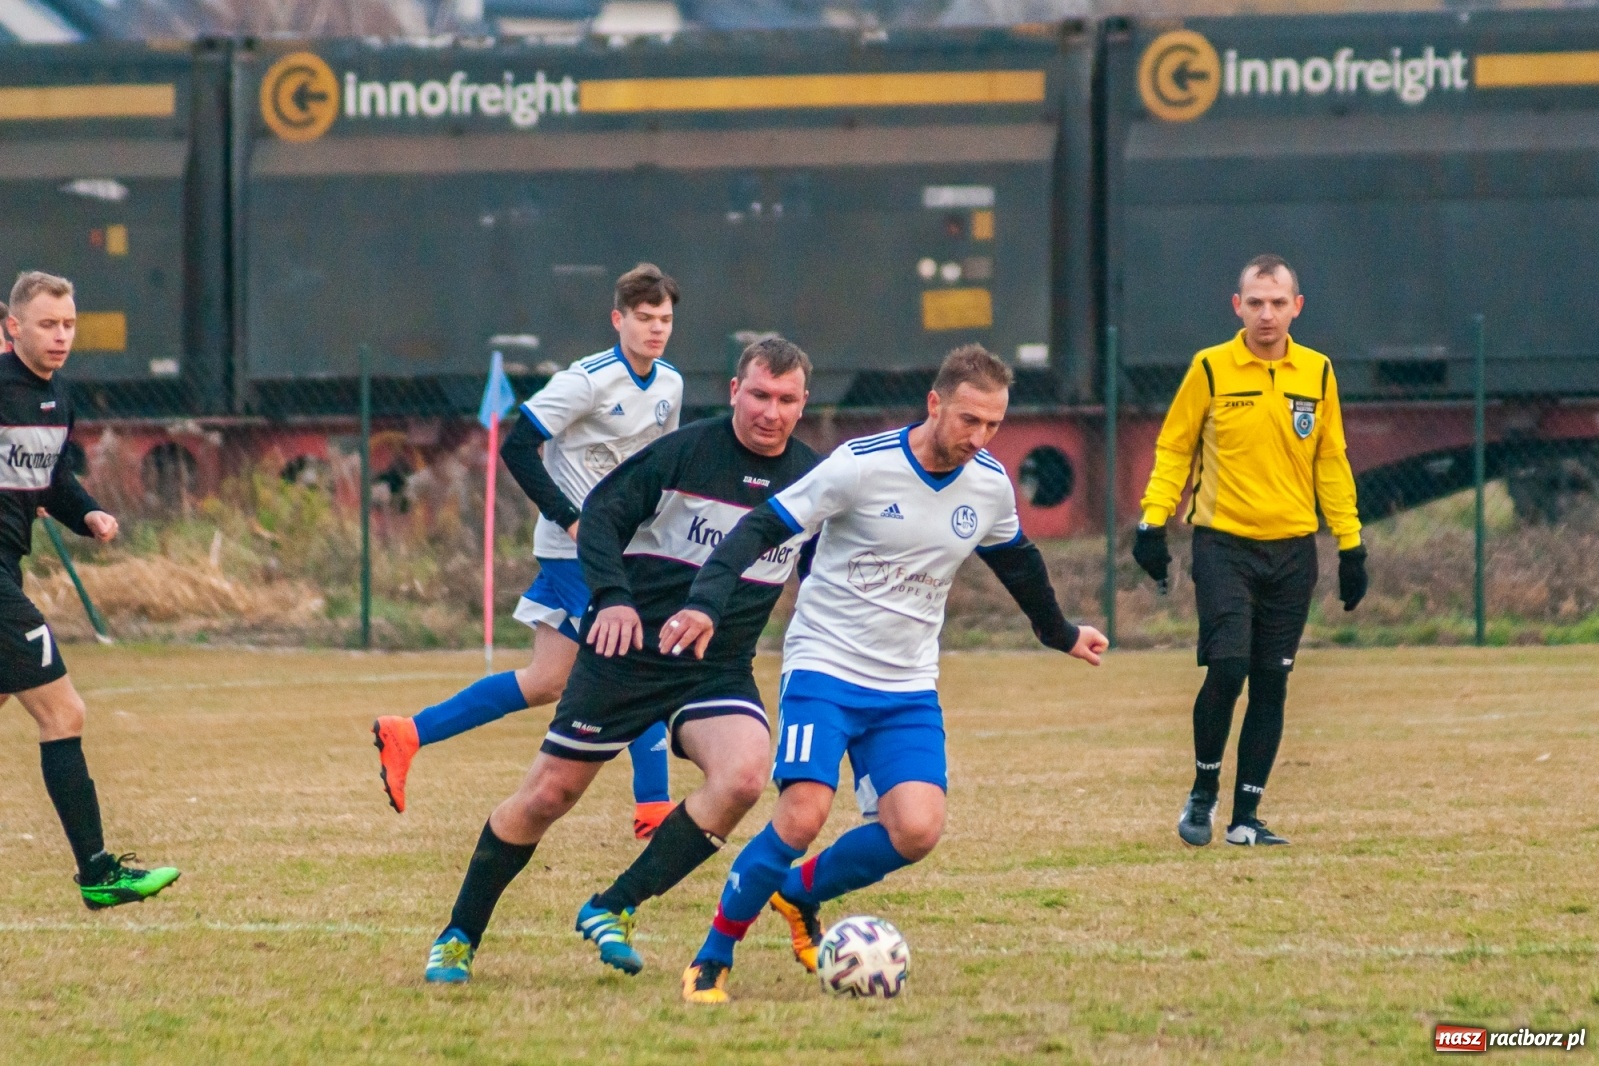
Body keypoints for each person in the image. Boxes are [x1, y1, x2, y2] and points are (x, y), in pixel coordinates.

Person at [664, 344, 1108, 1004]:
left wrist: (1060, 633)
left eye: (993, 425)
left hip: (906, 687)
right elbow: (763, 525)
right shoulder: (860, 467)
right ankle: (713, 954)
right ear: (935, 404)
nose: (980, 438)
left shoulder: (987, 485)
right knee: (804, 812)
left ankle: (796, 892)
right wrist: (705, 600)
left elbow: (1017, 562)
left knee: (918, 828)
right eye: (968, 420)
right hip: (825, 666)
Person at [422, 337, 819, 984]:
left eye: (785, 399)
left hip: (714, 668)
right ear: (734, 391)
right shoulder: (685, 452)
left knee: (745, 777)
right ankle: (460, 933)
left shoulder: (813, 480)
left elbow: (827, 568)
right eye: (759, 395)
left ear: (804, 404)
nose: (770, 411)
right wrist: (611, 598)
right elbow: (602, 516)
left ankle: (616, 906)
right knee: (548, 795)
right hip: (626, 655)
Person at [372, 264, 683, 839]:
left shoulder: (670, 384)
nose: (656, 329)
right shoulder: (585, 381)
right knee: (634, 659)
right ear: (619, 320)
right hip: (577, 555)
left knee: (545, 681)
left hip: (628, 550)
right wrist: (568, 519)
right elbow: (519, 447)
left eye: (665, 319)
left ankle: (408, 733)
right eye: (644, 318)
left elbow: (659, 471)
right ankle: (655, 809)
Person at [1132, 253, 1366, 849]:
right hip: (1223, 544)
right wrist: (1152, 522)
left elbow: (1332, 461)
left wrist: (1351, 542)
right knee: (1228, 665)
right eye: (1255, 303)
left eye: (1278, 303)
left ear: (1297, 307)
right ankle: (1203, 794)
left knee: (1272, 680)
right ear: (1237, 306)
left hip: (1293, 552)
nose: (1267, 314)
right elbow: (1175, 449)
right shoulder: (1210, 369)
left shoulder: (1317, 373)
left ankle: (1246, 819)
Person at [0, 271, 180, 908]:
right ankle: (99, 873)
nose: (61, 336)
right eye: (48, 324)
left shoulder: (56, 400)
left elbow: (49, 481)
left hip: (7, 569)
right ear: (13, 326)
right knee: (63, 713)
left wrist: (89, 514)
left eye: (69, 324)